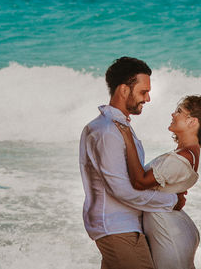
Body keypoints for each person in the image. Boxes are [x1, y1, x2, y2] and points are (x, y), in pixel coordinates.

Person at [80, 57, 186, 269]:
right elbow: (122, 190)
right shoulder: (108, 131)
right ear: (124, 90)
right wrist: (170, 201)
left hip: (119, 226)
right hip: (117, 228)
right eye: (143, 92)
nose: (147, 98)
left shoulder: (113, 126)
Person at [114, 95, 201, 269]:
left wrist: (127, 138)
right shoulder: (185, 153)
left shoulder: (181, 158)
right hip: (172, 226)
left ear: (192, 122)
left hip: (170, 232)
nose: (173, 114)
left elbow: (139, 183)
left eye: (179, 111)